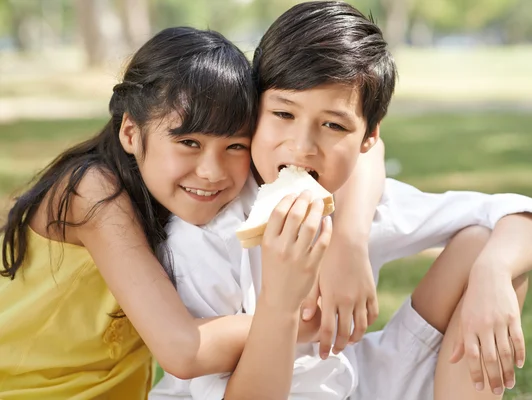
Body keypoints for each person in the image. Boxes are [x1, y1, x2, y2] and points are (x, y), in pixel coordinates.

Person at [151, 2, 532, 400]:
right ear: (253, 108)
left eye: (333, 125)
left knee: (485, 246)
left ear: (368, 137)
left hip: (358, 385)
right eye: (283, 114)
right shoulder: (206, 228)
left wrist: (493, 274)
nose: (302, 146)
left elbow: (522, 216)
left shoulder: (353, 202)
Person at [0, 26, 368, 399]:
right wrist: (305, 319)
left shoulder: (184, 181)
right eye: (189, 142)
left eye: (235, 145)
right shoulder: (93, 191)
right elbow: (184, 350)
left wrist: (349, 247)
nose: (212, 171)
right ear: (130, 131)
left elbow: (367, 142)